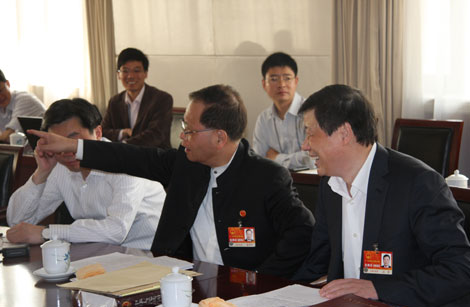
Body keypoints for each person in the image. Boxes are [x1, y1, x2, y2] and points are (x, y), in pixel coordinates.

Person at [30, 84, 314, 279]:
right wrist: (74, 147)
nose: (182, 137)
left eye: (190, 130)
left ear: (219, 137)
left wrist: (262, 277)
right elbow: (130, 157)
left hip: (242, 290)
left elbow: (301, 233)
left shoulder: (266, 177)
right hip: (182, 281)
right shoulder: (186, 164)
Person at [293, 84, 470, 307]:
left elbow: (461, 270)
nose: (305, 145)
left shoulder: (417, 183)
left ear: (344, 133)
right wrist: (276, 296)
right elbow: (316, 260)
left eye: (310, 133)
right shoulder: (330, 186)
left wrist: (377, 289)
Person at [6, 98, 166, 250]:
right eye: (58, 142)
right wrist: (41, 173)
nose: (66, 150)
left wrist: (46, 233)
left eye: (72, 141)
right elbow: (17, 222)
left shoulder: (125, 165)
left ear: (97, 132)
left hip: (148, 256)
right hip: (99, 254)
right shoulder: (60, 167)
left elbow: (116, 230)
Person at [101, 48, 173, 149]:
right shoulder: (114, 102)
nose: (130, 76)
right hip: (122, 162)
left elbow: (156, 134)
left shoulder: (162, 99)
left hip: (154, 160)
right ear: (118, 74)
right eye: (125, 71)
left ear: (145, 73)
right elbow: (102, 132)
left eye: (136, 70)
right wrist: (122, 132)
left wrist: (124, 145)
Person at [253, 52, 314, 171]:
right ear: (264, 84)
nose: (281, 85)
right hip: (275, 184)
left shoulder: (311, 112)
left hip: (311, 183)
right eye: (274, 79)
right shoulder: (264, 119)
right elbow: (258, 161)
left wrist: (276, 158)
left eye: (287, 78)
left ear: (296, 81)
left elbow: (312, 158)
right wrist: (297, 159)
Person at [0, 69, 45, 143]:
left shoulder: (24, 99)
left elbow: (8, 135)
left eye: (0, 90)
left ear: (7, 84)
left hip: (48, 149)